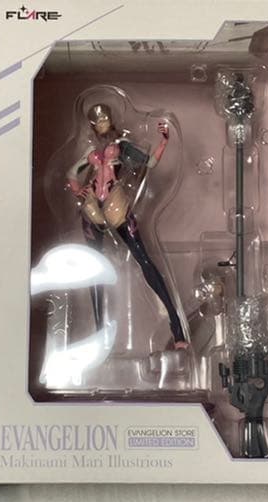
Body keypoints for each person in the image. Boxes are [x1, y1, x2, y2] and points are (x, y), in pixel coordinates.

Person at [65, 103, 187, 349]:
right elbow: (71, 173)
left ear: (111, 120)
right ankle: (99, 335)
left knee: (144, 260)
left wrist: (163, 142)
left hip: (116, 204)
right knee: (94, 268)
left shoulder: (122, 146)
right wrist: (78, 189)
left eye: (105, 119)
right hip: (92, 207)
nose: (102, 123)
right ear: (92, 125)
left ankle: (177, 327)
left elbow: (149, 163)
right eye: (97, 121)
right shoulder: (91, 150)